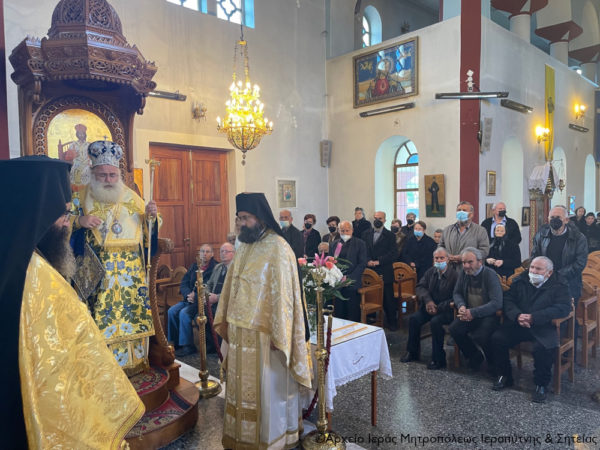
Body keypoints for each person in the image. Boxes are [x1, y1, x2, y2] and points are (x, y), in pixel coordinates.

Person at [0, 156, 143, 448]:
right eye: (63, 213)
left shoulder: (19, 260)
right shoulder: (39, 277)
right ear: (36, 211)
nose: (67, 221)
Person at [214, 193, 311, 449]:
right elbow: (232, 285)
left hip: (266, 336)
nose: (241, 223)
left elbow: (285, 296)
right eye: (239, 218)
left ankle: (273, 439)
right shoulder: (244, 245)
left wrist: (282, 333)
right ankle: (242, 437)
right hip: (240, 331)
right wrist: (227, 320)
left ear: (260, 217)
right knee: (241, 390)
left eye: (246, 218)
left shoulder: (278, 247)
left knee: (268, 391)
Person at [72, 140, 159, 375]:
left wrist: (151, 217)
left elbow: (150, 233)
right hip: (97, 274)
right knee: (100, 318)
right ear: (93, 173)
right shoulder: (80, 198)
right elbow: (62, 225)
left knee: (132, 317)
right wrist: (79, 221)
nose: (109, 180)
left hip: (131, 275)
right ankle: (105, 370)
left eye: (113, 175)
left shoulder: (131, 197)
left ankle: (135, 362)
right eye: (103, 175)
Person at [490, 257, 571, 403]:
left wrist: (535, 317)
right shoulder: (521, 280)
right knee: (498, 338)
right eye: (532, 267)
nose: (533, 271)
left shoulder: (560, 284)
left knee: (543, 348)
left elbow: (563, 307)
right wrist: (517, 315)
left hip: (543, 325)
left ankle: (541, 384)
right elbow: (508, 299)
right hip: (520, 323)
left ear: (549, 273)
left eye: (538, 269)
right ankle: (504, 375)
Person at [401, 247, 458, 370]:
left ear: (448, 259)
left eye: (442, 258)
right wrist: (428, 301)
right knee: (414, 319)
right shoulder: (430, 272)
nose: (439, 261)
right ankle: (412, 352)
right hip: (429, 306)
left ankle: (438, 358)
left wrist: (439, 307)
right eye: (436, 258)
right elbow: (420, 287)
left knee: (435, 322)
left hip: (446, 310)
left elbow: (456, 297)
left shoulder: (455, 275)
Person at [449, 247, 503, 371]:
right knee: (454, 329)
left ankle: (493, 364)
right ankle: (474, 356)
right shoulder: (464, 273)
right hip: (469, 313)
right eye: (464, 262)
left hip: (488, 315)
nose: (466, 266)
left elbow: (496, 303)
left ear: (480, 262)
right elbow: (457, 293)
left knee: (481, 335)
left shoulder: (490, 275)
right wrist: (461, 306)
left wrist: (473, 312)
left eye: (470, 262)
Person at [168, 244, 217, 357]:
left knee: (184, 313)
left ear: (212, 254)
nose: (204, 254)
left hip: (201, 302)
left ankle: (188, 346)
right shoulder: (194, 266)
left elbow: (210, 286)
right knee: (171, 311)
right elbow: (184, 283)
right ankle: (175, 343)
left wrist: (196, 295)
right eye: (202, 251)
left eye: (207, 252)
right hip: (188, 299)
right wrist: (188, 294)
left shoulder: (215, 267)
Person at [363, 211, 398, 329]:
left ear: (385, 220)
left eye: (380, 218)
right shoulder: (366, 233)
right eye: (375, 218)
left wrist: (379, 261)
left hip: (384, 270)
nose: (377, 220)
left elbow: (393, 253)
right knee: (370, 295)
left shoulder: (390, 235)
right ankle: (371, 319)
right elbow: (364, 250)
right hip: (370, 270)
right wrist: (368, 260)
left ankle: (392, 321)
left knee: (388, 299)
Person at [328, 220, 367, 321]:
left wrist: (349, 278)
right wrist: (337, 277)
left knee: (352, 313)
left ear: (352, 230)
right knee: (339, 313)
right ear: (338, 231)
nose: (345, 233)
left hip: (352, 283)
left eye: (347, 230)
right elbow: (330, 262)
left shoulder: (360, 244)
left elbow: (362, 263)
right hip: (338, 283)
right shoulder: (334, 244)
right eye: (342, 231)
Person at [203, 242, 235, 354]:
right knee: (201, 315)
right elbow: (209, 284)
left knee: (215, 314)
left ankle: (222, 348)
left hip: (227, 303)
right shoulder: (218, 267)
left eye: (227, 251)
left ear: (234, 253)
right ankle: (212, 345)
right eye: (221, 251)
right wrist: (207, 295)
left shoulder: (236, 269)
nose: (223, 253)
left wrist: (217, 298)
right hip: (212, 300)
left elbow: (235, 292)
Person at [440, 201, 490, 268]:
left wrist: (464, 257)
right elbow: (440, 247)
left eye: (464, 210)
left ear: (471, 214)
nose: (461, 212)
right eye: (459, 210)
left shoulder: (480, 231)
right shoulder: (447, 230)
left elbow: (484, 251)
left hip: (470, 269)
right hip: (449, 268)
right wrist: (446, 256)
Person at [58, 123, 91, 191]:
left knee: (87, 171)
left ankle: (86, 190)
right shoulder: (73, 145)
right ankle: (76, 191)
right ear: (77, 135)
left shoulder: (88, 145)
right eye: (79, 134)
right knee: (75, 170)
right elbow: (67, 157)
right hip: (76, 163)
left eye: (82, 134)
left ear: (85, 135)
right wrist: (74, 155)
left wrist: (90, 163)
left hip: (86, 163)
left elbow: (91, 156)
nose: (81, 135)